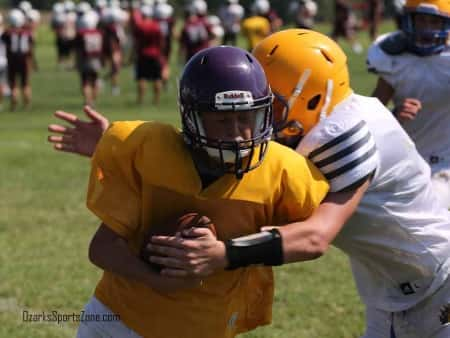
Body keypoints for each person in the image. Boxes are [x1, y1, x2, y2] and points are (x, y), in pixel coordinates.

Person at [48, 30, 450, 337]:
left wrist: (223, 254)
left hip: (437, 280)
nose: (252, 126)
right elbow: (212, 137)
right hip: (389, 285)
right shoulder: (318, 122)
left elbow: (315, 237)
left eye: (269, 103)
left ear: (313, 99)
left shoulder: (346, 134)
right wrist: (124, 148)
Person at [74, 46, 329, 338]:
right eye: (221, 120)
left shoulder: (284, 170)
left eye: (246, 118)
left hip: (203, 326)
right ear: (192, 116)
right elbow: (102, 248)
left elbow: (315, 237)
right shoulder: (147, 149)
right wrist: (156, 279)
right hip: (118, 317)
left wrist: (224, 253)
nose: (236, 132)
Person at [367, 0, 450, 209]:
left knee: (429, 206)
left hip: (445, 160)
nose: (427, 28)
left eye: (434, 22)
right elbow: (371, 116)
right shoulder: (394, 56)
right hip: (404, 158)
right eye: (421, 20)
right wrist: (393, 116)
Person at [130, 5, 164, 105]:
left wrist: (132, 55)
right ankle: (156, 101)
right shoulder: (156, 25)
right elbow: (161, 42)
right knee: (157, 78)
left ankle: (140, 101)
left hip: (142, 54)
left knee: (142, 78)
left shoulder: (139, 26)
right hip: (155, 54)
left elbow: (136, 43)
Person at [2, 9, 34, 110]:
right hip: (24, 60)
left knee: (13, 84)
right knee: (25, 84)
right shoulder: (27, 32)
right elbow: (31, 46)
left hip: (12, 60)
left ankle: (14, 105)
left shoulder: (7, 33)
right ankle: (27, 105)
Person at [73, 10, 103, 107]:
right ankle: (93, 101)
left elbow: (77, 48)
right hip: (96, 59)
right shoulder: (98, 32)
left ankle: (87, 101)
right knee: (95, 80)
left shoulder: (81, 33)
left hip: (85, 59)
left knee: (85, 81)